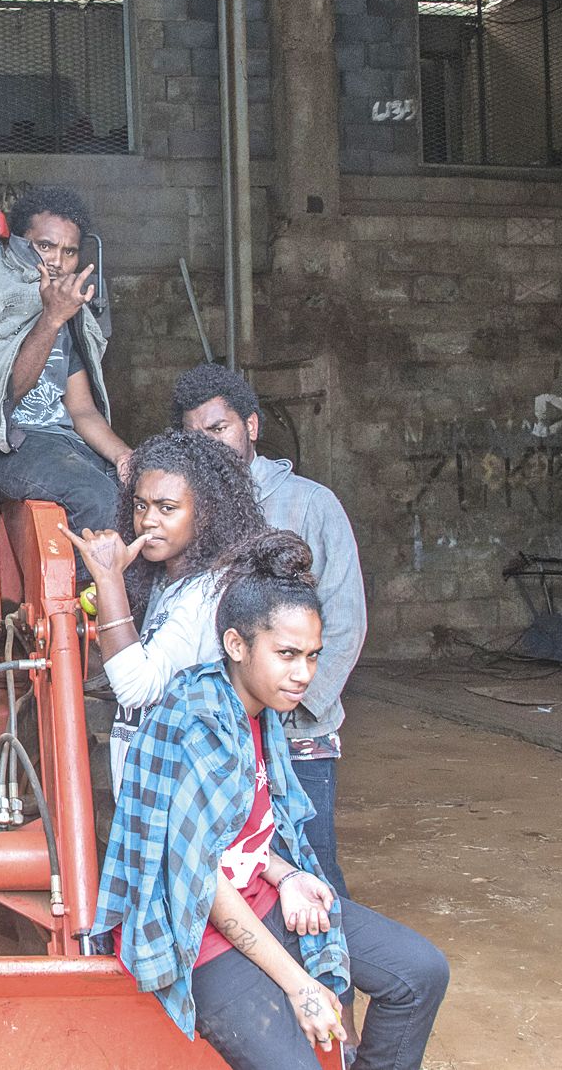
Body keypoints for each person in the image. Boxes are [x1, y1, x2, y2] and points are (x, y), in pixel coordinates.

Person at [92, 532, 448, 1070]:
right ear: (237, 645)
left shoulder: (258, 709)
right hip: (193, 928)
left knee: (420, 973)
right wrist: (299, 984)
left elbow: (238, 830)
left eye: (311, 656)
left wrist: (286, 876)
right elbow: (198, 877)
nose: (303, 673)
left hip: (255, 895)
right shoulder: (198, 722)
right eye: (286, 654)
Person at [174, 362, 367, 899]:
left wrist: (296, 700)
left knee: (313, 868)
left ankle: (334, 982)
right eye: (197, 436)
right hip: (222, 732)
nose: (210, 444)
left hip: (299, 733)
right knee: (238, 875)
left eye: (220, 429)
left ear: (251, 426)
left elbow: (346, 619)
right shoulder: (185, 512)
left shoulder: (309, 503)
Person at [62, 429, 265, 790]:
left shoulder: (203, 596)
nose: (148, 521)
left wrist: (109, 581)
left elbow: (138, 687)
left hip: (182, 797)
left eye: (167, 508)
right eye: (141, 505)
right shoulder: (170, 584)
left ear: (207, 513)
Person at [0, 185, 128, 532]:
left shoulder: (71, 310)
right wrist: (51, 319)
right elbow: (6, 395)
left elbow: (81, 409)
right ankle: (90, 587)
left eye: (69, 252)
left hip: (60, 443)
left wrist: (126, 457)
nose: (56, 261)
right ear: (17, 241)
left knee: (137, 495)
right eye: (45, 245)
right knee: (99, 501)